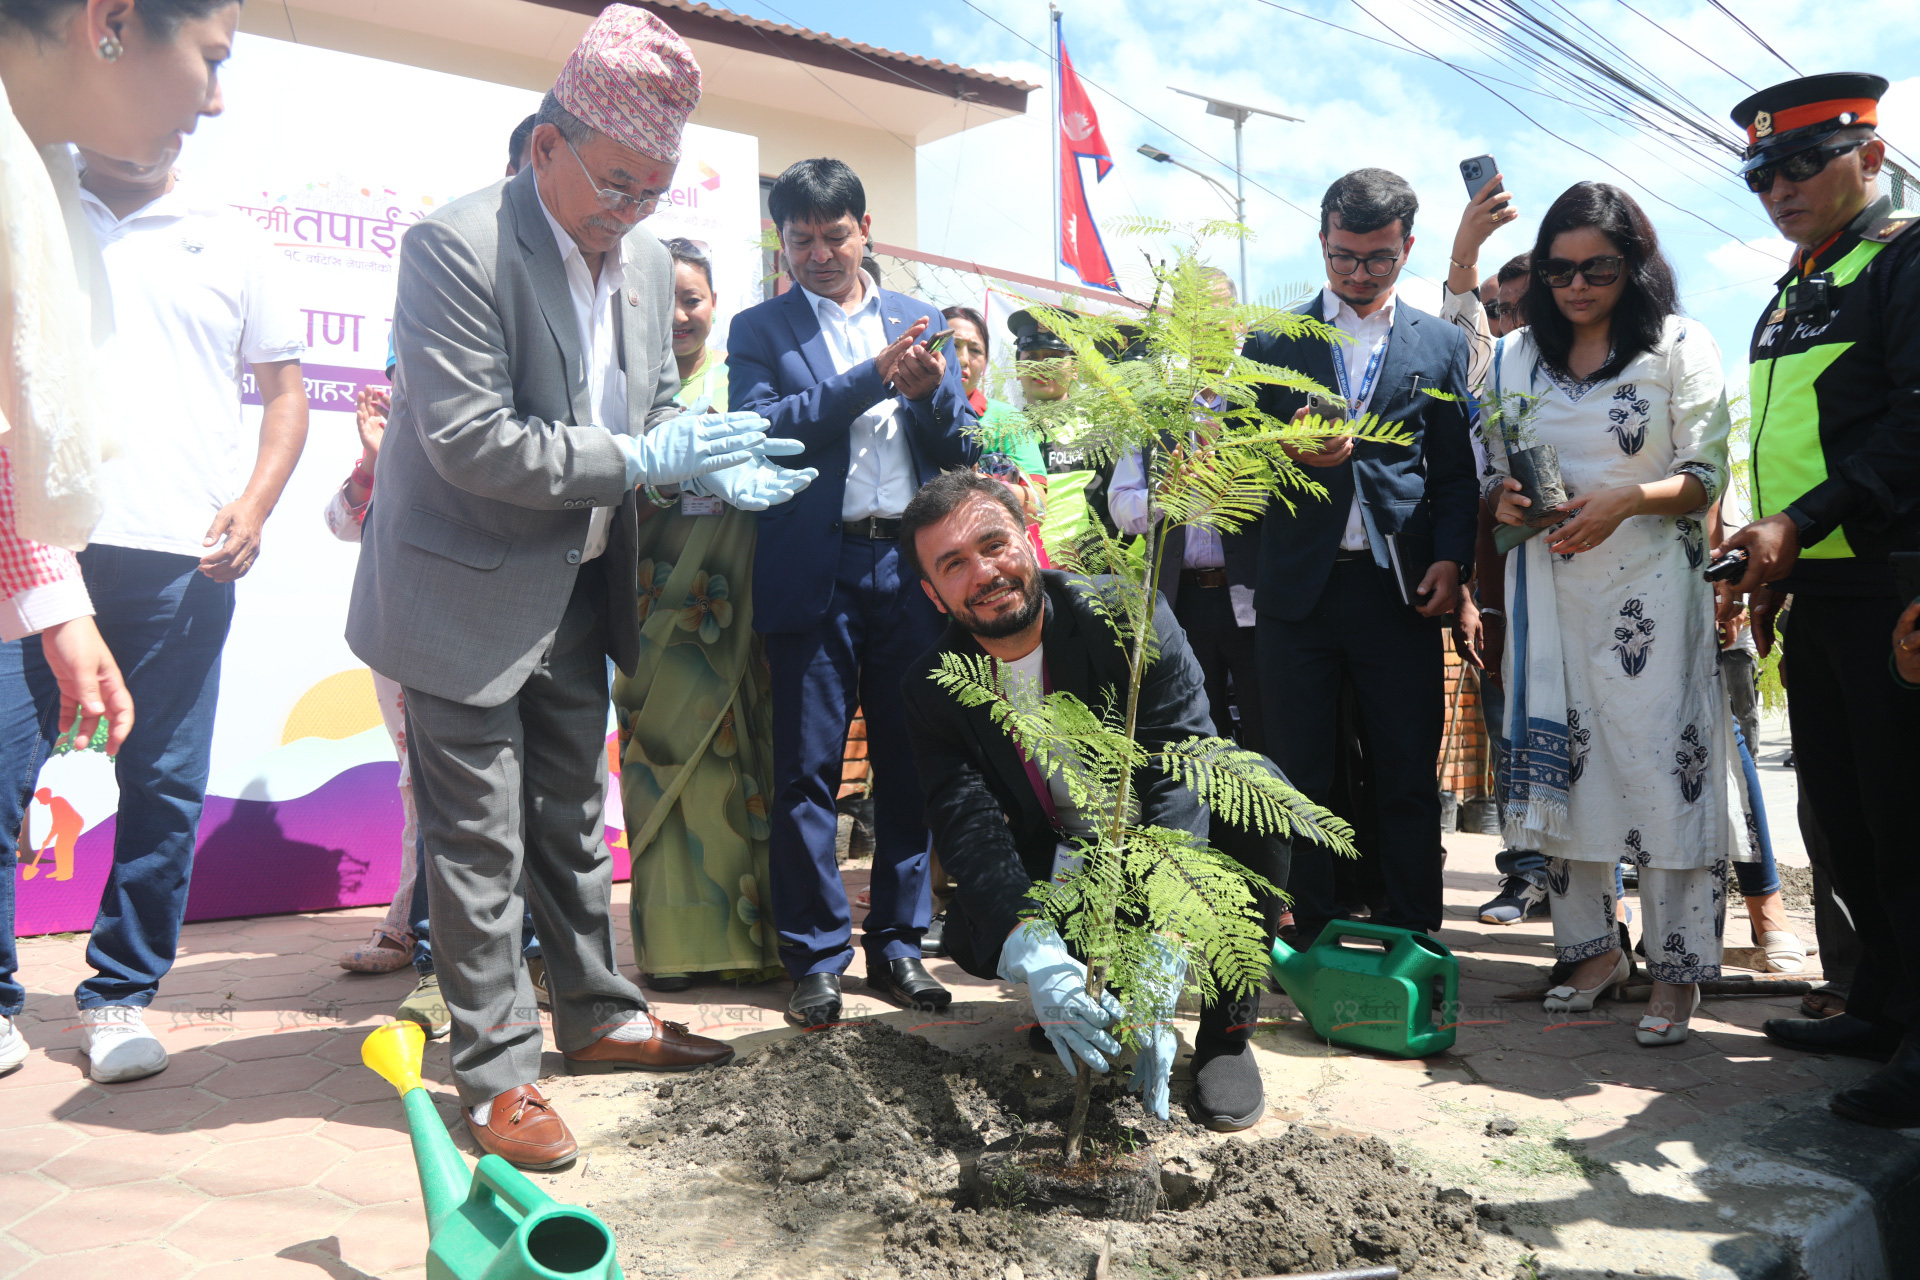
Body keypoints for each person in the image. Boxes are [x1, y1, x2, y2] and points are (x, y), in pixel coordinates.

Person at [346, 6, 813, 1171]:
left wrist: (700, 464)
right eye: (614, 183)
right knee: (476, 837)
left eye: (653, 192)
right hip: (458, 587)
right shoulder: (455, 247)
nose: (629, 212)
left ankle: (599, 1016)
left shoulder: (649, 260)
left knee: (567, 819)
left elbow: (650, 410)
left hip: (577, 580)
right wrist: (643, 457)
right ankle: (497, 1072)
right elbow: (469, 439)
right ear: (548, 145)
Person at [2, 0, 254, 1085]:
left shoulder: (33, 174)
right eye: (210, 57)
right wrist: (57, 595)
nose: (217, 94)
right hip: (46, 563)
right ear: (110, 22)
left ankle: (121, 993)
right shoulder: (37, 187)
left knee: (163, 786)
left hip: (148, 561)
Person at [899, 470, 1279, 1131]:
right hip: (1061, 866)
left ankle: (1226, 1038)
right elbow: (969, 823)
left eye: (994, 545)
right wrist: (1037, 954)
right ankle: (1077, 996)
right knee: (975, 931)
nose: (984, 573)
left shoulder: (1124, 620)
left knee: (1254, 791)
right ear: (935, 597)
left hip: (1151, 847)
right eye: (953, 564)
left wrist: (1166, 935)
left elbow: (1179, 772)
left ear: (1031, 541)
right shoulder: (935, 688)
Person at [1486, 181, 1746, 1048]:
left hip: (1654, 598)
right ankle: (1593, 952)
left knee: (1660, 768)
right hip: (1552, 595)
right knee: (1570, 772)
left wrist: (1628, 502)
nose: (1577, 285)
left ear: (1635, 263)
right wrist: (1507, 496)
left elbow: (1706, 476)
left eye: (1598, 265)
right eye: (1559, 270)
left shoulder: (1678, 345)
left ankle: (1677, 968)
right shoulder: (1514, 357)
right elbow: (1492, 475)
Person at [1711, 74, 1920, 1126]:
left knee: (1907, 816)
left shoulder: (1906, 260)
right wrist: (1777, 555)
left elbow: (1910, 430)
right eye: (1762, 173)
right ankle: (1880, 1005)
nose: (1779, 187)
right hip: (1820, 585)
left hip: (1896, 585)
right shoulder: (1795, 290)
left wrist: (1804, 520)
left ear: (1871, 159)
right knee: (1841, 812)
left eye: (1803, 162)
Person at [727, 156, 971, 1029]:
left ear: (866, 229)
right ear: (781, 240)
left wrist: (935, 396)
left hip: (909, 570)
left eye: (836, 236)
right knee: (807, 771)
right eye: (802, 240)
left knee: (910, 764)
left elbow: (960, 445)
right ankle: (818, 957)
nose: (820, 254)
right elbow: (767, 430)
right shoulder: (759, 330)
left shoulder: (921, 321)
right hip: (811, 571)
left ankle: (901, 946)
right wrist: (871, 376)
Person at [1241, 168, 1479, 946]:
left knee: (1405, 772)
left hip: (1398, 593)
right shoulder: (1272, 342)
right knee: (1298, 776)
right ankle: (1308, 935)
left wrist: (1454, 564)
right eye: (1343, 256)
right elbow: (1235, 468)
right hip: (1297, 598)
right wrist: (1287, 449)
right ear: (1322, 241)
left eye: (1378, 259)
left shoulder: (1440, 347)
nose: (1358, 274)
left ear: (1407, 248)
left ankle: (1415, 933)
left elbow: (1453, 474)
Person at [615, 235, 789, 992]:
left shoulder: (741, 383)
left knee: (741, 768)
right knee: (661, 773)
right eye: (667, 302)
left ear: (715, 305)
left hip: (732, 610)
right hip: (648, 609)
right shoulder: (619, 389)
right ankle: (675, 950)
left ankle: (755, 947)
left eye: (693, 299)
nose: (680, 316)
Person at [1109, 269, 1265, 755]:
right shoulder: (1152, 408)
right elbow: (1120, 509)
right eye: (1192, 320)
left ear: (1237, 324)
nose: (1206, 331)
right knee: (1198, 740)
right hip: (1182, 602)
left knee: (1270, 732)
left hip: (1259, 600)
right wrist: (1164, 496)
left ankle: (1277, 835)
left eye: (1217, 318)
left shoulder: (1266, 397)